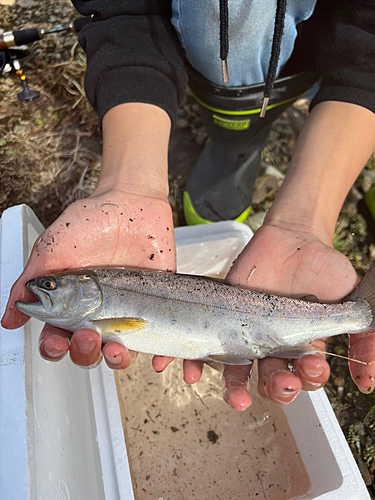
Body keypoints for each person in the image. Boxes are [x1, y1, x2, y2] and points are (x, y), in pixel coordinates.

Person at [2, 0, 375, 411]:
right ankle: (231, 138)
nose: (44, 288)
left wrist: (307, 221)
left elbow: (367, 50)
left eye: (52, 285)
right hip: (204, 73)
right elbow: (122, 11)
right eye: (52, 286)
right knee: (230, 131)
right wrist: (129, 183)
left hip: (307, 69)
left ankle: (239, 142)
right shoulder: (97, 308)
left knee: (242, 133)